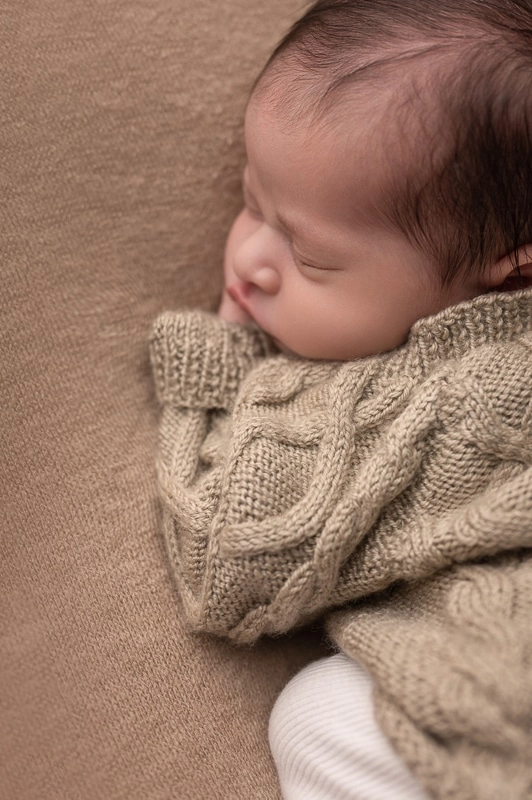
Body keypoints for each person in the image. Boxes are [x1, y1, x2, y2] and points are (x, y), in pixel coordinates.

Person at [150, 1, 532, 797]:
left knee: (320, 714)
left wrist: (217, 367)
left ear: (513, 271)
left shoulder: (445, 402)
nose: (252, 256)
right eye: (253, 201)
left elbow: (228, 566)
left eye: (312, 256)